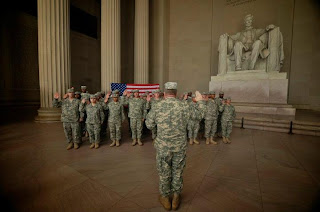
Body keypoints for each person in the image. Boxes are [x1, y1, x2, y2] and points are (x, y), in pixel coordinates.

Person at [146, 82, 206, 211]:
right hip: (179, 146)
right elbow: (200, 115)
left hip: (163, 147)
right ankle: (176, 197)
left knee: (164, 173)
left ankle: (166, 199)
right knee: (177, 172)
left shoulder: (157, 106)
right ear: (176, 92)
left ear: (164, 92)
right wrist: (200, 101)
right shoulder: (184, 105)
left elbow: (149, 125)